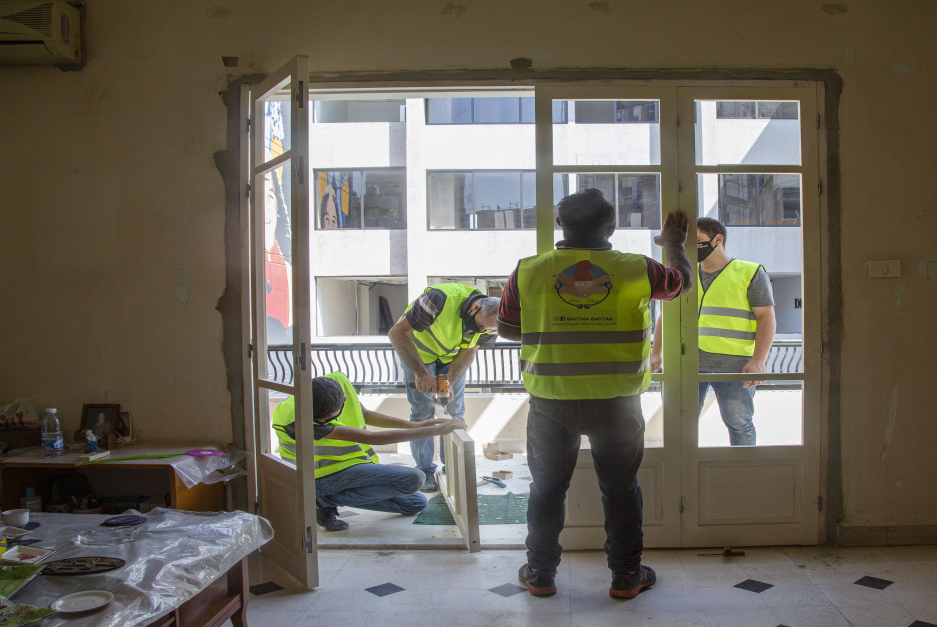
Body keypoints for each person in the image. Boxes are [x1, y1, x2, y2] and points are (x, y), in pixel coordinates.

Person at [497, 188, 693, 599]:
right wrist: (674, 243)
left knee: (546, 488)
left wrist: (556, 320)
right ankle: (626, 576)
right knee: (621, 489)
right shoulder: (638, 268)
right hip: (617, 402)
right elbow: (683, 283)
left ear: (560, 225)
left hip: (551, 401)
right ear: (612, 228)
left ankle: (540, 574)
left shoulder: (528, 270)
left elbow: (507, 328)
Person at [271, 371, 465, 531]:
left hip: (350, 467)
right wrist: (435, 430)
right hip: (319, 477)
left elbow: (365, 414)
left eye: (330, 418)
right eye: (324, 420)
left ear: (344, 399)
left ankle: (328, 497)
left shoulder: (337, 382)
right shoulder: (298, 420)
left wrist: (414, 425)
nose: (327, 422)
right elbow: (372, 438)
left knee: (416, 503)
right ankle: (322, 498)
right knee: (414, 478)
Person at [650, 217, 776, 446]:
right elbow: (667, 315)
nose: (691, 247)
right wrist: (655, 352)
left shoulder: (750, 272)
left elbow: (766, 317)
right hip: (686, 362)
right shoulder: (683, 274)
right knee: (679, 424)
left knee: (739, 423)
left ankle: (744, 466)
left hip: (735, 365)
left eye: (697, 240)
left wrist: (759, 360)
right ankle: (684, 468)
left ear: (718, 240)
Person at [388, 284, 499, 492]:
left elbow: (469, 352)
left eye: (487, 329)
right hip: (418, 354)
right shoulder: (439, 299)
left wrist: (450, 383)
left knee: (454, 411)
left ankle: (453, 466)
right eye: (480, 325)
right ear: (474, 308)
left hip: (450, 358)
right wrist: (421, 374)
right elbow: (396, 333)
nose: (482, 331)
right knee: (422, 412)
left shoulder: (491, 324)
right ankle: (424, 470)